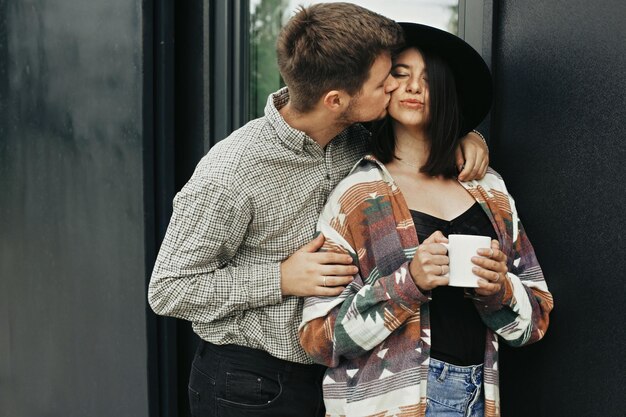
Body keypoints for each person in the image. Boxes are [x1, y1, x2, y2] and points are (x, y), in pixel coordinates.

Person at [148, 4, 489, 416]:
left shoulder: (358, 136)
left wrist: (465, 137)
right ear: (336, 99)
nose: (395, 91)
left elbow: (418, 135)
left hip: (340, 376)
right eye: (385, 83)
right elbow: (168, 289)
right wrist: (280, 279)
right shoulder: (231, 173)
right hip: (249, 385)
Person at [299, 22, 554, 417]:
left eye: (428, 79)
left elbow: (536, 321)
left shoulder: (489, 189)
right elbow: (319, 338)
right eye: (400, 76)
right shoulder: (357, 197)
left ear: (448, 94)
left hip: (478, 397)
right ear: (383, 89)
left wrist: (497, 290)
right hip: (389, 404)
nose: (414, 87)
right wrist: (410, 282)